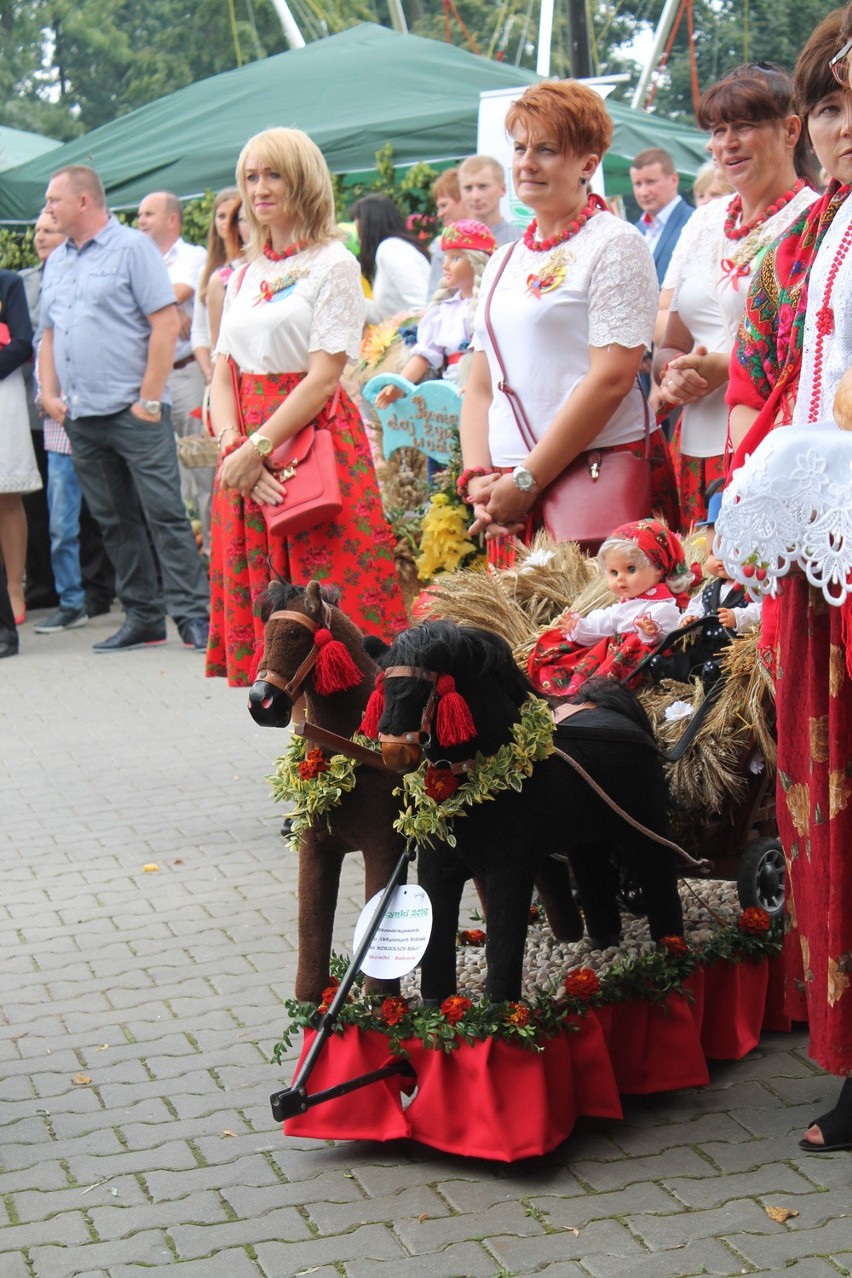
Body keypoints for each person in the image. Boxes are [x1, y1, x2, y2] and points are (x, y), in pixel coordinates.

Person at [722, 8, 852, 1151]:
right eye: (830, 103)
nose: (844, 125)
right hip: (823, 567)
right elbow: (766, 386)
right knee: (825, 812)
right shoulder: (805, 245)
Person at [206, 127, 408, 686]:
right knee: (277, 634)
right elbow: (223, 373)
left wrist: (257, 448)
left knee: (335, 618)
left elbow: (323, 378)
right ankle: (303, 760)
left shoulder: (334, 263)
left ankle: (352, 754)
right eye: (251, 176)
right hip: (249, 452)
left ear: (304, 180)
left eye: (274, 174)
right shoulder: (243, 273)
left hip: (311, 446)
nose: (260, 188)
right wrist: (233, 451)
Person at [459, 80, 679, 564]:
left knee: (597, 633)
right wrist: (478, 478)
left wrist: (527, 479)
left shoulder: (616, 244)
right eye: (520, 148)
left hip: (595, 482)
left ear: (587, 164)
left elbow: (612, 378)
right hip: (509, 494)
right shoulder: (502, 260)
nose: (527, 162)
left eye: (547, 149)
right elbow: (480, 387)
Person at [38, 164, 210, 653]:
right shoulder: (58, 261)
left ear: (84, 202)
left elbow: (165, 323)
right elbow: (50, 333)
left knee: (163, 513)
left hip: (134, 411)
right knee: (114, 520)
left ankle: (193, 615)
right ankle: (142, 617)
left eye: (54, 200)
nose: (48, 209)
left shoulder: (132, 248)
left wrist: (149, 398)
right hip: (82, 416)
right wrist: (50, 395)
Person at [654, 63, 818, 527]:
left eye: (743, 127)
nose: (726, 143)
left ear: (790, 131)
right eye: (718, 129)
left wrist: (724, 368)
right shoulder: (703, 221)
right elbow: (671, 343)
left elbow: (816, 356)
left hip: (773, 446)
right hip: (694, 450)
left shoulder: (815, 222)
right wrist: (673, 375)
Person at [528, 518, 694, 698]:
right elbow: (606, 621)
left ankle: (592, 689)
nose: (620, 579)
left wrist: (651, 632)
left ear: (659, 568)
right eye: (613, 572)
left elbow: (669, 632)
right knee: (570, 650)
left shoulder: (662, 606)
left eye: (630, 570)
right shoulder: (625, 604)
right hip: (614, 655)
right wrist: (581, 627)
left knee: (623, 647)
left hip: (634, 661)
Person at [374, 219, 496, 410]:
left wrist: (478, 385)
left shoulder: (492, 305)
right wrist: (400, 383)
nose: (445, 266)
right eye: (445, 258)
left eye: (456, 258)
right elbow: (424, 355)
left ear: (476, 262)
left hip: (485, 391)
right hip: (448, 394)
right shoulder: (443, 311)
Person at [0, 268, 39, 625]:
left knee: (6, 495)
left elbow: (23, 341)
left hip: (2, 391)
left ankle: (14, 587)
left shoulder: (7, 283)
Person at [427, 155, 523, 294]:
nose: (475, 196)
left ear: (502, 189)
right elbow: (435, 300)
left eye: (482, 186)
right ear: (460, 192)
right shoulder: (448, 243)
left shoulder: (521, 241)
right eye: (468, 188)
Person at [351, 194, 431, 324]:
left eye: (360, 234)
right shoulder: (391, 251)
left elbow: (422, 305)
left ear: (370, 228)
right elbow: (384, 316)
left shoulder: (392, 250)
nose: (360, 242)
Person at [191, 187, 239, 385]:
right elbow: (199, 331)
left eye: (233, 216)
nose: (226, 222)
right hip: (218, 373)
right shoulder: (207, 271)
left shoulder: (256, 266)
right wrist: (210, 374)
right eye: (220, 216)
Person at [630, 146, 694, 284]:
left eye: (651, 182)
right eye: (638, 184)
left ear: (674, 180)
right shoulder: (634, 231)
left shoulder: (695, 223)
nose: (643, 192)